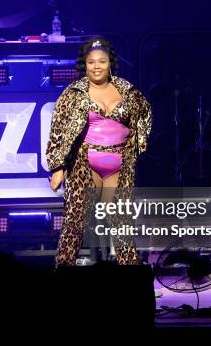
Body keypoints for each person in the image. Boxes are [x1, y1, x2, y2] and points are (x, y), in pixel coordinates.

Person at [46, 38, 152, 267]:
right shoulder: (74, 93)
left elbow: (145, 114)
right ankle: (61, 274)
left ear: (110, 63)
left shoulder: (127, 90)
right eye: (91, 62)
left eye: (102, 61)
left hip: (119, 163)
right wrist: (57, 167)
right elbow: (58, 129)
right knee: (75, 223)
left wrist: (137, 144)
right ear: (84, 64)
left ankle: (132, 281)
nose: (96, 66)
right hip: (86, 162)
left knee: (122, 224)